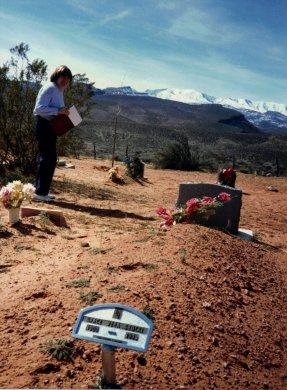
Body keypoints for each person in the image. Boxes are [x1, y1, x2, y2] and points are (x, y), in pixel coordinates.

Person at [33, 65, 72, 202]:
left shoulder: (58, 90)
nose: (66, 80)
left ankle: (42, 192)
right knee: (47, 159)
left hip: (50, 127)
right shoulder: (50, 88)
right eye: (63, 77)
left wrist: (62, 112)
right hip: (44, 126)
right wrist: (58, 111)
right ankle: (39, 192)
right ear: (57, 76)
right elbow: (38, 109)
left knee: (49, 159)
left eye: (68, 78)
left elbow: (54, 108)